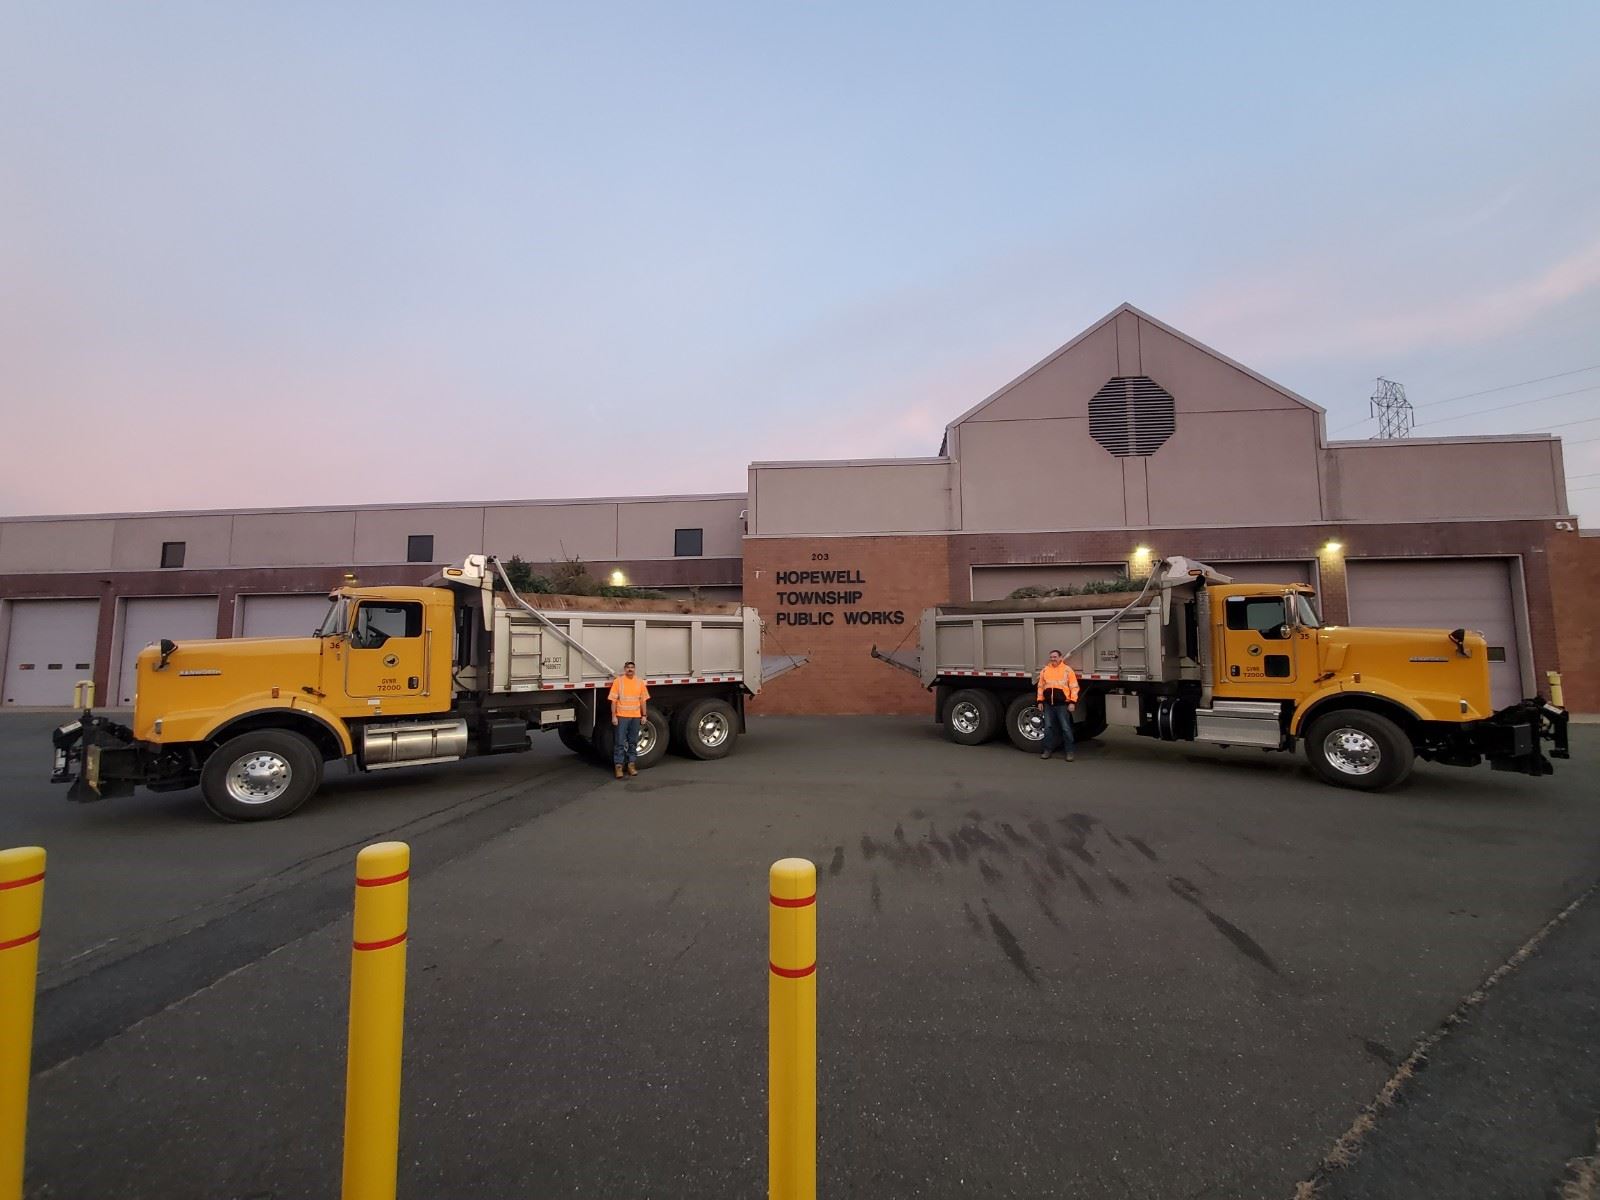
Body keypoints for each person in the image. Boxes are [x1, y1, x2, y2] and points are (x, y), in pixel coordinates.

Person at [607, 661, 650, 779]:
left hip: (635, 717)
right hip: (621, 716)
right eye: (628, 668)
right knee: (619, 742)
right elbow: (613, 701)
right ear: (624, 669)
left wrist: (644, 715)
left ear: (635, 669)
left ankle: (631, 765)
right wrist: (614, 716)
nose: (630, 669)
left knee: (633, 742)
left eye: (632, 667)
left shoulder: (640, 682)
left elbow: (643, 700)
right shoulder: (618, 682)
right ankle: (619, 767)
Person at [1036, 649, 1080, 762]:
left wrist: (1072, 702)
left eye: (1055, 657)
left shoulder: (1067, 670)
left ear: (1060, 658)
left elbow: (1074, 687)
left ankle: (1069, 752)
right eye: (1051, 657)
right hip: (1048, 705)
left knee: (1065, 728)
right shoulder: (1045, 670)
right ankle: (1047, 750)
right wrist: (1040, 701)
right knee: (1048, 728)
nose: (1052, 659)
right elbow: (1040, 687)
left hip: (1062, 705)